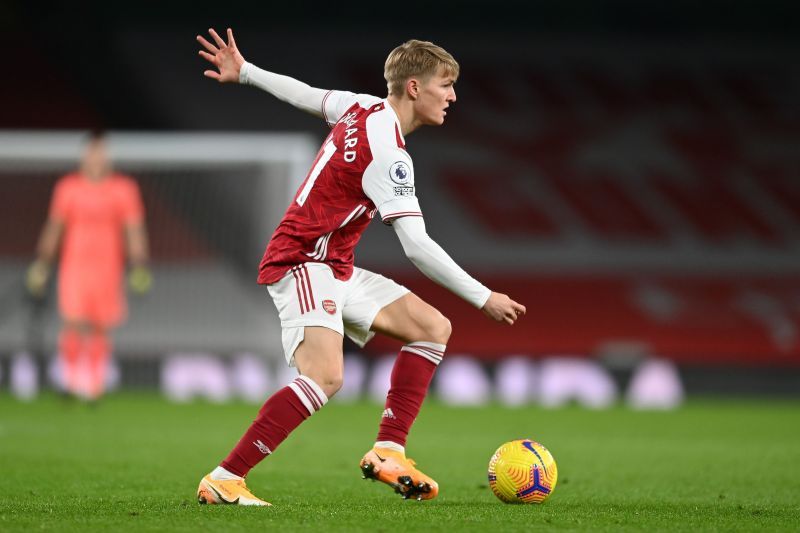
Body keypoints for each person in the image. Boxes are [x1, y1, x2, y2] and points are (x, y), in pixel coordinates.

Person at [195, 28, 525, 506]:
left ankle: (389, 451)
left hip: (334, 265)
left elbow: (306, 95)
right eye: (445, 84)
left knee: (432, 328)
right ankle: (225, 478)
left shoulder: (362, 106)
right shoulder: (389, 153)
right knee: (326, 376)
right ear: (414, 87)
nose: (452, 96)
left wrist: (246, 72)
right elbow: (417, 247)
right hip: (302, 261)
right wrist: (483, 296)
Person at [26, 132, 151, 401]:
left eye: (101, 153)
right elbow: (55, 227)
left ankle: (94, 384)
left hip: (108, 267)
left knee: (100, 325)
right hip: (75, 266)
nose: (96, 159)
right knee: (72, 321)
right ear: (84, 156)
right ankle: (70, 380)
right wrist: (42, 263)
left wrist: (139, 263)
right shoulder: (68, 188)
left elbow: (134, 229)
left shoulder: (124, 189)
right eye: (92, 153)